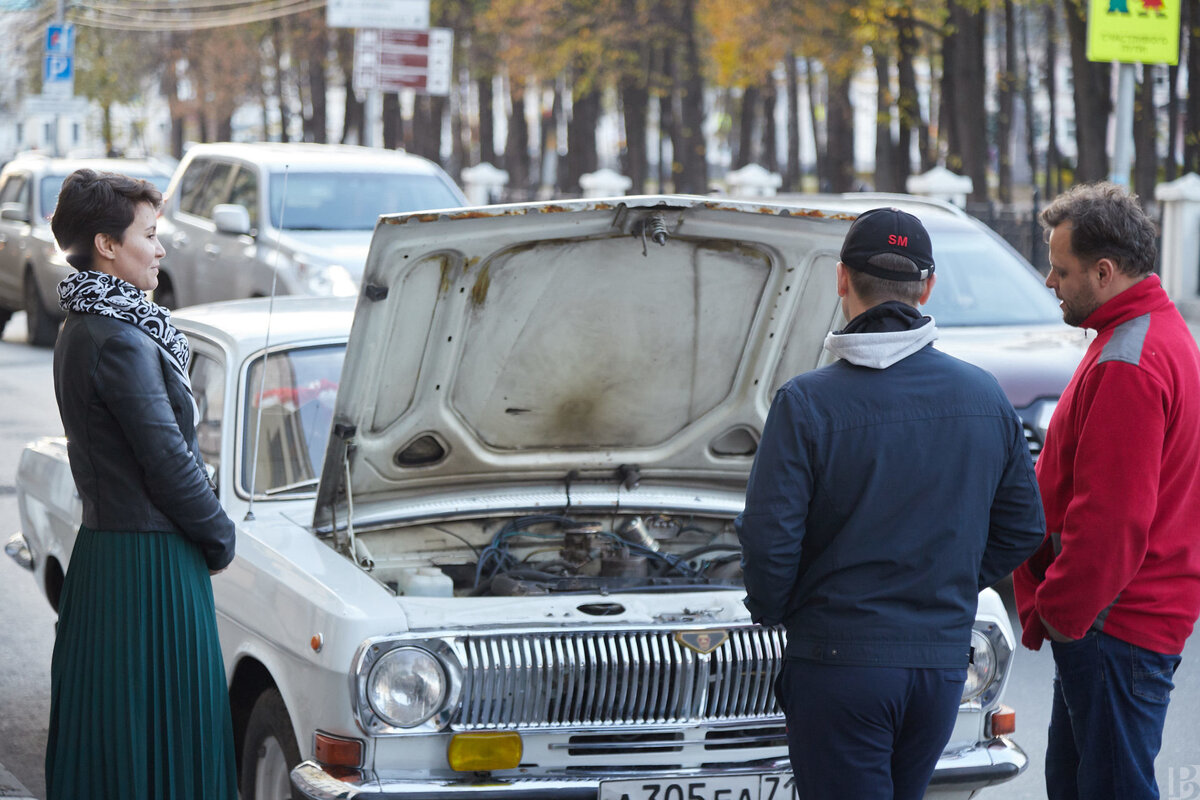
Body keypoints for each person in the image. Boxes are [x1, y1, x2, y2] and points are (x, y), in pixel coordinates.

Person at [736, 207, 1045, 800]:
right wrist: (947, 580)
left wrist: (784, 608)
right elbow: (1023, 527)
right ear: (927, 287)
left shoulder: (806, 403)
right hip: (937, 670)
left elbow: (769, 539)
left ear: (841, 280)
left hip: (838, 664)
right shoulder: (984, 394)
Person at [44, 169, 237, 800]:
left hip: (110, 555)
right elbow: (170, 461)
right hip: (150, 566)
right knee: (161, 746)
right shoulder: (120, 337)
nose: (160, 249)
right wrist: (219, 536)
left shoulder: (86, 323)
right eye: (149, 236)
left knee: (115, 740)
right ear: (106, 244)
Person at [1013, 182, 1200, 800]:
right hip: (1120, 622)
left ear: (1103, 270)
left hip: (1114, 627)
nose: (1049, 281)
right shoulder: (1149, 336)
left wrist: (1061, 615)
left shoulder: (1131, 361)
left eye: (1060, 269)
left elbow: (1112, 522)